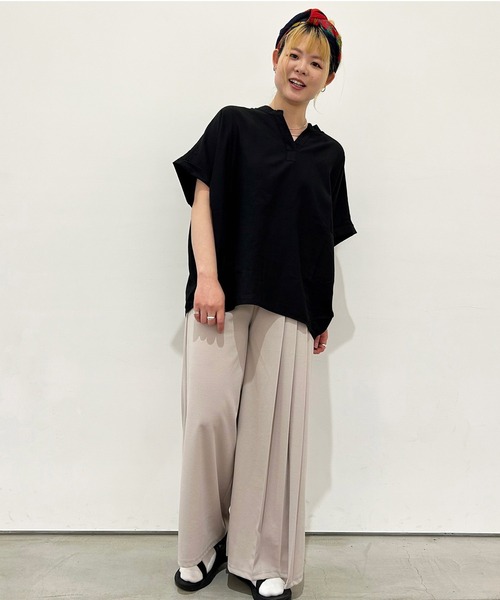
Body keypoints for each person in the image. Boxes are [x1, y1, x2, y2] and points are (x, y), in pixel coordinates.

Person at [172, 8, 356, 600]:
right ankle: (202, 544)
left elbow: (321, 241)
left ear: (329, 77)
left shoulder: (329, 155)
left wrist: (321, 314)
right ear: (275, 58)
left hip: (290, 306)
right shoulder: (234, 124)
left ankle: (264, 555)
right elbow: (202, 200)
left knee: (270, 433)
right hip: (220, 298)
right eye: (293, 55)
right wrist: (208, 278)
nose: (301, 68)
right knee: (208, 418)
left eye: (316, 63)